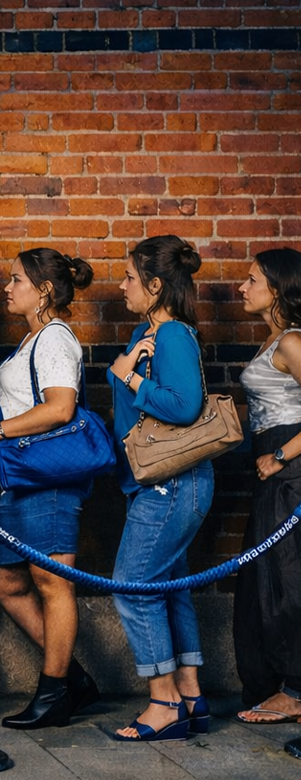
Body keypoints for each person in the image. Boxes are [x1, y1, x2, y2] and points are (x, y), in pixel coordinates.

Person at [0, 248, 101, 729]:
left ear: (44, 289)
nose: (7, 287)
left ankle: (52, 695)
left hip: (48, 484)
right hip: (22, 484)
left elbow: (61, 408)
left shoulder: (53, 339)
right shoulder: (33, 340)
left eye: (16, 279)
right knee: (6, 583)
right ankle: (71, 680)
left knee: (52, 584)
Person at [106, 235, 213, 741]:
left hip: (172, 484)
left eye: (130, 278)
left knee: (133, 586)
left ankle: (164, 702)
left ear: (155, 285)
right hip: (159, 483)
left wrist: (128, 378)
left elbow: (186, 406)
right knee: (170, 590)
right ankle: (190, 693)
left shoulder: (171, 335)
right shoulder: (149, 330)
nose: (122, 285)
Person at [234, 248, 301, 725]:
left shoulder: (293, 342)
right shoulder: (272, 341)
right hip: (271, 463)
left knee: (288, 579)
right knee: (267, 579)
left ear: (276, 289)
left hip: (289, 468)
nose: (243, 286)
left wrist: (280, 456)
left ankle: (295, 691)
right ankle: (279, 685)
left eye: (252, 279)